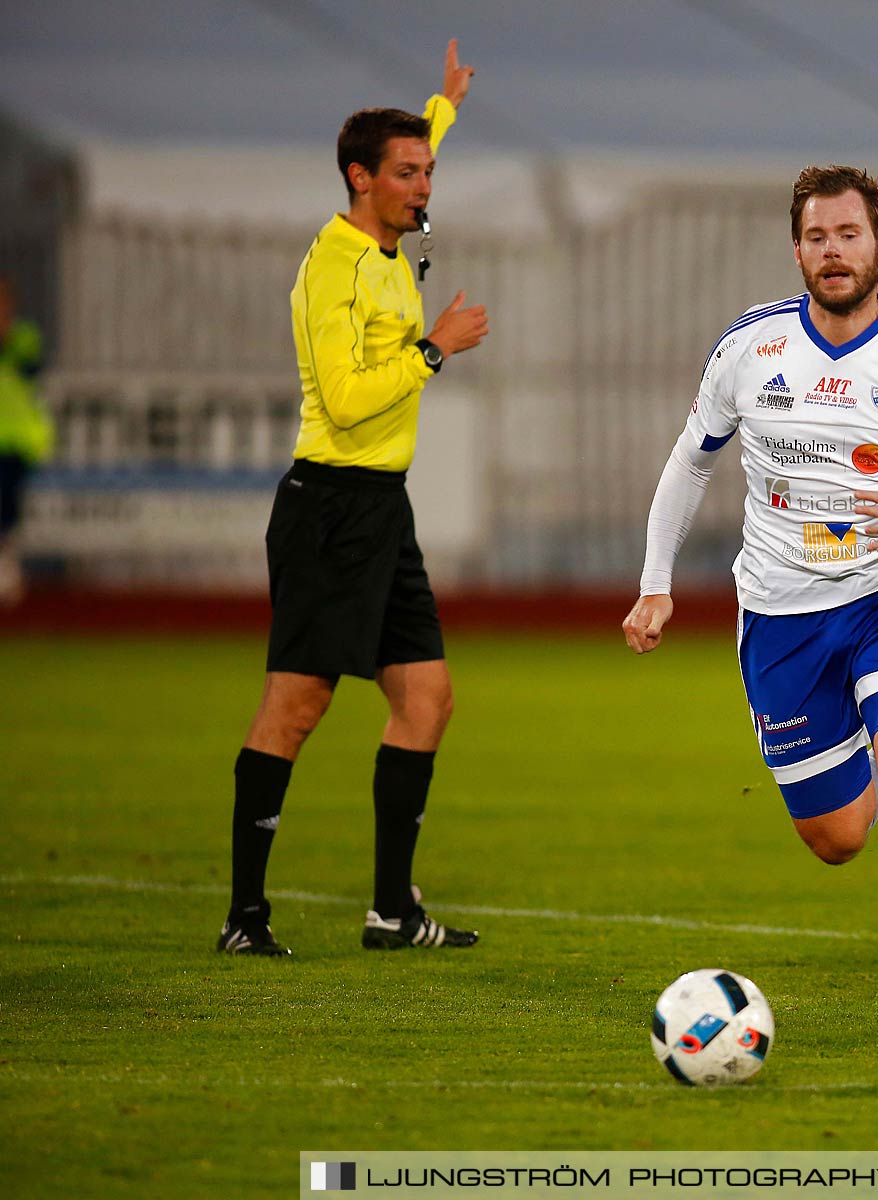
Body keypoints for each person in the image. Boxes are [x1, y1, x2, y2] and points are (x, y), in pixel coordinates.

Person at [622, 165, 878, 1040]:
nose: (831, 253)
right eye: (815, 237)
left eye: (847, 236)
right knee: (838, 836)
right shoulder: (750, 348)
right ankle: (866, 761)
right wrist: (656, 584)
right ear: (796, 247)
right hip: (782, 616)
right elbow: (692, 461)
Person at [217, 40, 489, 956]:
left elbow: (416, 143)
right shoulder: (333, 267)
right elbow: (342, 397)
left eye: (428, 169)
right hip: (329, 507)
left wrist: (440, 104)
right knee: (296, 706)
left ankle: (390, 913)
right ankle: (244, 918)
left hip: (381, 513)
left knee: (428, 699)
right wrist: (436, 347)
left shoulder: (382, 245)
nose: (424, 185)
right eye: (407, 173)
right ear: (359, 179)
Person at [0, 275, 53, 607]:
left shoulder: (24, 337)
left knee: (6, 507)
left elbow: (28, 368)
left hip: (17, 439)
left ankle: (7, 571)